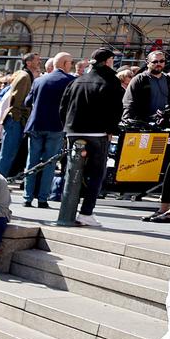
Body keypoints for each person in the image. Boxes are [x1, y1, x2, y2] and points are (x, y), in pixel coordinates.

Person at [61, 48, 125, 230]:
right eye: (112, 59)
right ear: (107, 61)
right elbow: (115, 109)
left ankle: (68, 210)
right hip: (98, 133)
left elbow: (63, 106)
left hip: (73, 131)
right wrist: (111, 129)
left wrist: (67, 127)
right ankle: (86, 212)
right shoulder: (110, 81)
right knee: (96, 174)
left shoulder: (77, 81)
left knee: (72, 171)